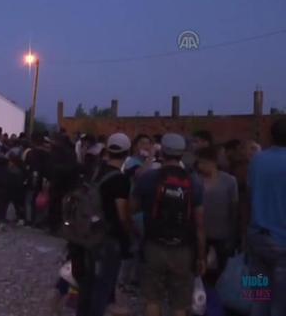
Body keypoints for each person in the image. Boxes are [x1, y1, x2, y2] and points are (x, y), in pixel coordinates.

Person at [133, 133, 206, 316]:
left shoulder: (148, 178)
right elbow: (199, 225)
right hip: (183, 248)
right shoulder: (194, 182)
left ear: (162, 152)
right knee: (179, 304)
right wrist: (201, 256)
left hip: (153, 245)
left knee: (152, 299)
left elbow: (132, 209)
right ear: (182, 154)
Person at [69, 133, 133, 316]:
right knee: (102, 288)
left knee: (86, 286)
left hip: (84, 235)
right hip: (107, 239)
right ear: (127, 152)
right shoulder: (120, 180)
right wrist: (128, 235)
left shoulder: (94, 171)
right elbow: (121, 215)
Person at [247, 118, 286, 316]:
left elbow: (248, 196)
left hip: (257, 239)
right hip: (282, 243)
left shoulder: (257, 160)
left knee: (258, 296)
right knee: (280, 304)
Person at [196, 146, 239, 286]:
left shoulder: (229, 181)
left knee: (223, 269)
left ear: (213, 162)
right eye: (199, 162)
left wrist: (233, 233)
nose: (200, 166)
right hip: (201, 233)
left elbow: (234, 208)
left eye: (203, 162)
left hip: (223, 233)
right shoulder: (196, 180)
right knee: (200, 269)